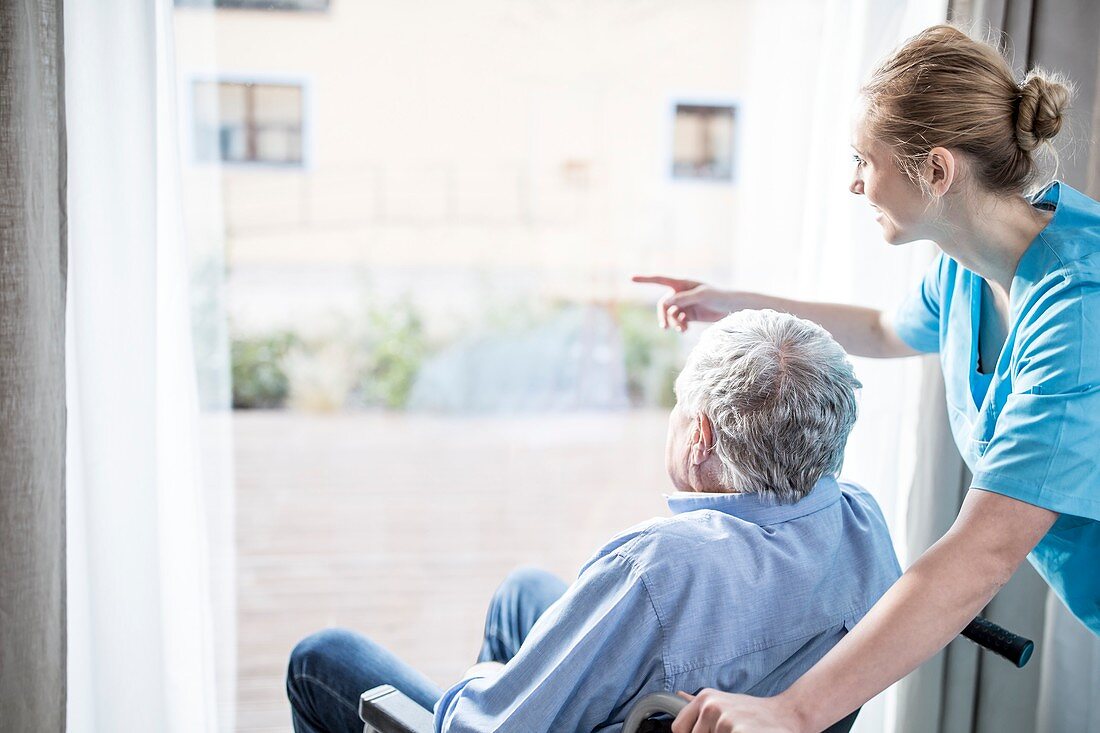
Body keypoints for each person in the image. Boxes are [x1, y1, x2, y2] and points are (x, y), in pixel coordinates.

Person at [631, 23, 1100, 733]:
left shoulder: (1078, 313)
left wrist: (793, 710)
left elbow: (983, 553)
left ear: (936, 171)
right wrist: (732, 302)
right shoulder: (969, 263)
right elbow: (884, 328)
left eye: (864, 160)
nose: (854, 182)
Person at [286, 310, 901, 733]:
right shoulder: (862, 521)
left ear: (701, 437)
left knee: (320, 656)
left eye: (679, 408)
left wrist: (494, 682)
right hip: (724, 688)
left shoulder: (660, 569)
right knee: (521, 594)